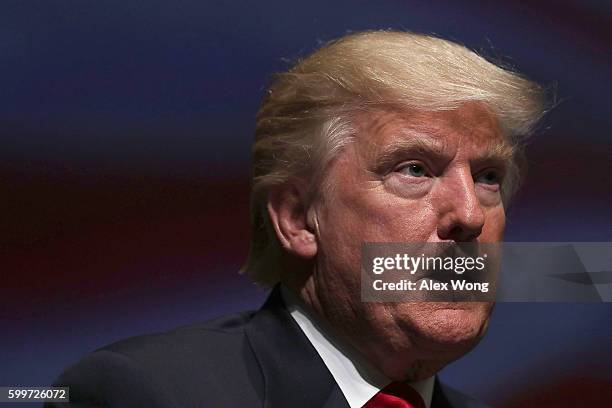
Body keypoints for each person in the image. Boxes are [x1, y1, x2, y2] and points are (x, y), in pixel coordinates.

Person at [47, 30, 547, 408]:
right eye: (413, 170)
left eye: (487, 177)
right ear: (298, 219)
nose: (468, 214)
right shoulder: (140, 393)